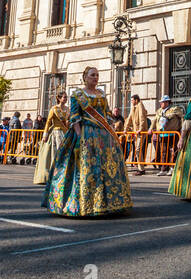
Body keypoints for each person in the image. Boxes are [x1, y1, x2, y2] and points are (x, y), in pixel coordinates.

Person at [44, 67, 133, 217]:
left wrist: (112, 131)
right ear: (85, 77)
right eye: (92, 75)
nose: (95, 77)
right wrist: (79, 137)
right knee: (86, 169)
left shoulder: (102, 94)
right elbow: (74, 117)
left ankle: (109, 203)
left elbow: (107, 114)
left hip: (103, 136)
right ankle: (84, 204)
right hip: (86, 134)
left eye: (97, 75)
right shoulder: (78, 95)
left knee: (107, 168)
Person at [33, 91, 70, 186]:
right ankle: (53, 175)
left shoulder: (68, 109)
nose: (65, 99)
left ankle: (64, 175)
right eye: (64, 97)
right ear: (59, 98)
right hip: (56, 133)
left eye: (66, 97)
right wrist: (45, 135)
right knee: (56, 154)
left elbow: (68, 122)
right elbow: (48, 122)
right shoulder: (54, 109)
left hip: (65, 132)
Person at [148, 95, 183, 175]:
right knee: (163, 151)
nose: (161, 104)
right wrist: (150, 128)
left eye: (162, 102)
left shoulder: (174, 109)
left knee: (174, 151)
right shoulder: (159, 111)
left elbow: (181, 117)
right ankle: (164, 169)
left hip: (173, 133)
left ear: (167, 102)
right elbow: (154, 120)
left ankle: (172, 168)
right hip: (162, 134)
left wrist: (182, 129)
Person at [125, 95, 151, 174]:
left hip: (141, 132)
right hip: (136, 132)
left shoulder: (140, 106)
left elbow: (142, 117)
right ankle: (141, 168)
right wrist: (125, 129)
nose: (131, 101)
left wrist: (141, 129)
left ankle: (141, 169)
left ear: (136, 100)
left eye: (132, 100)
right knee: (137, 150)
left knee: (138, 150)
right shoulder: (133, 107)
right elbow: (129, 118)